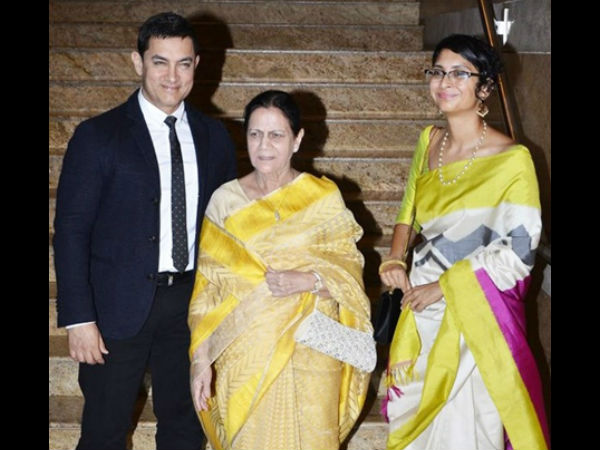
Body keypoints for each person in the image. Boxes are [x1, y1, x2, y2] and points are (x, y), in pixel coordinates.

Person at [53, 12, 237, 450]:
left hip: (190, 306)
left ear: (197, 65)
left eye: (183, 63)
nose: (172, 76)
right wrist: (79, 318)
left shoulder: (215, 137)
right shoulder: (98, 136)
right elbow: (71, 230)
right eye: (160, 62)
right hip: (116, 309)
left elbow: (229, 227)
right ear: (137, 62)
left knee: (186, 431)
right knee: (104, 433)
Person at [379, 34, 550, 450]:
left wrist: (445, 287)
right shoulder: (429, 141)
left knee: (466, 430)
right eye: (438, 71)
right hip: (420, 304)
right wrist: (395, 258)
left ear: (485, 87)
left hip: (476, 313)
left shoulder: (512, 159)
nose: (445, 82)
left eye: (460, 73)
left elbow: (520, 252)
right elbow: (408, 212)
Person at [187, 90, 373, 450]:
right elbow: (206, 292)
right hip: (244, 352)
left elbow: (350, 275)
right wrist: (201, 360)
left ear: (297, 140)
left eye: (276, 135)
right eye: (255, 134)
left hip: (310, 352)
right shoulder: (225, 201)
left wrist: (308, 280)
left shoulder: (322, 198)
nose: (264, 145)